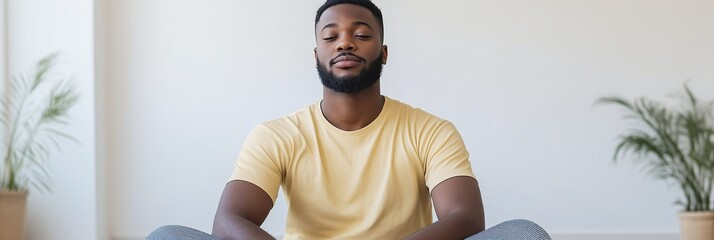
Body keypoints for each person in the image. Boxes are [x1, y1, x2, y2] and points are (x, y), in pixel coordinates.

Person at [211, 0, 485, 239]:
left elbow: (465, 217)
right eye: (331, 37)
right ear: (316, 56)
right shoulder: (276, 135)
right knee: (170, 236)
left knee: (522, 232)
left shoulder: (431, 131)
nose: (345, 43)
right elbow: (229, 220)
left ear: (384, 53)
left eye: (362, 35)